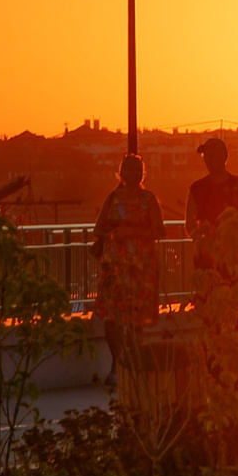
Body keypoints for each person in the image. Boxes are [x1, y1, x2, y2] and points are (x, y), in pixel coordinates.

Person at [91, 153, 168, 379]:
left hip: (140, 266)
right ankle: (118, 362)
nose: (134, 174)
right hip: (114, 265)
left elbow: (159, 231)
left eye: (138, 170)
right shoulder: (113, 198)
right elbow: (98, 228)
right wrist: (114, 234)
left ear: (142, 174)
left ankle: (132, 363)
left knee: (136, 318)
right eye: (129, 169)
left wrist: (133, 233)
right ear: (121, 173)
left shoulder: (149, 199)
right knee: (111, 318)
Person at [186, 135, 238, 280]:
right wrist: (205, 243)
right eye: (206, 155)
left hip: (235, 257)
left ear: (224, 156)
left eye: (212, 154)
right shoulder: (197, 188)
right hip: (207, 259)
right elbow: (190, 224)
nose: (208, 159)